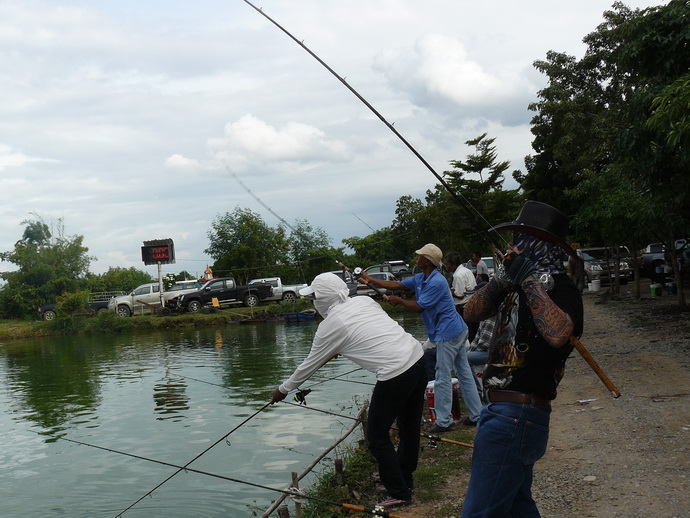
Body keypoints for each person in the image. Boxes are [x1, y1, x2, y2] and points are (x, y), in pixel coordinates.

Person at [461, 201, 584, 518]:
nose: (514, 246)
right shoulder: (510, 283)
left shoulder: (563, 290)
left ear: (544, 245)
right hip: (500, 409)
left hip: (517, 414)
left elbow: (558, 334)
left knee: (479, 512)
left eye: (522, 239)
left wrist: (530, 280)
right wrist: (501, 280)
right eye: (515, 238)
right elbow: (471, 312)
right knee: (518, 507)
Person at [270, 272, 426, 510]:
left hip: (395, 374)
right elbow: (370, 332)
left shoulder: (330, 326)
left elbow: (309, 365)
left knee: (376, 436)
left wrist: (283, 390)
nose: (313, 301)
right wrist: (342, 347)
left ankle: (398, 493)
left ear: (322, 298)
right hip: (417, 359)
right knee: (408, 427)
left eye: (314, 296)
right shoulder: (365, 301)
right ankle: (404, 481)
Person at [358, 243, 482, 430]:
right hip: (455, 329)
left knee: (442, 375)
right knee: (463, 372)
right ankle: (477, 414)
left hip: (448, 332)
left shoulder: (436, 282)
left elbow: (419, 307)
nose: (417, 257)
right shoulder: (421, 278)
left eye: (420, 256)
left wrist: (399, 300)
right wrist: (370, 279)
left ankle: (443, 421)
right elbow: (397, 284)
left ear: (427, 261)